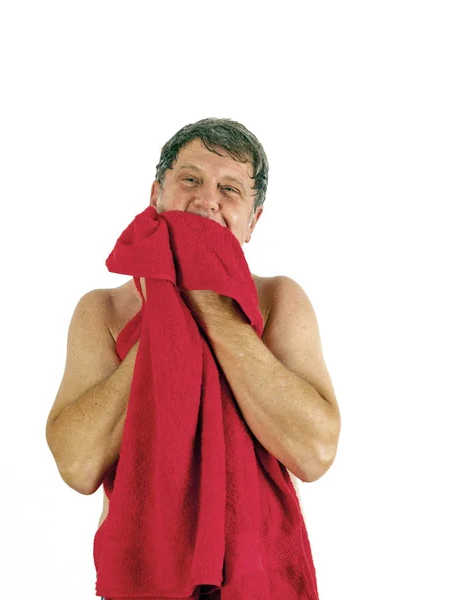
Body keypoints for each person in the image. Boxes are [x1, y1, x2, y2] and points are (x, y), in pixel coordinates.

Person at [45, 117, 341, 591]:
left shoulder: (279, 301)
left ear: (252, 222)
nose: (207, 200)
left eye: (230, 190)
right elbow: (79, 465)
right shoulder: (102, 310)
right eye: (190, 180)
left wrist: (211, 304)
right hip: (145, 578)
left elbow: (314, 452)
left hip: (257, 577)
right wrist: (167, 314)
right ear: (155, 196)